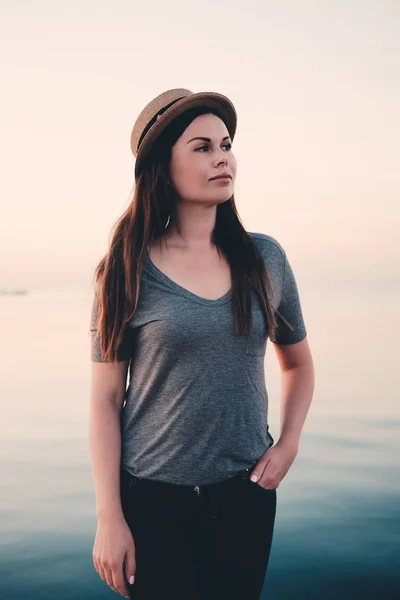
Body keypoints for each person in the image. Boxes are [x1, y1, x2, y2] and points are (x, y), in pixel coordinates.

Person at [89, 88, 315, 600]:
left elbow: (298, 364)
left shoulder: (264, 258)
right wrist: (110, 516)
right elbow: (105, 399)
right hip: (151, 501)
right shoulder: (126, 268)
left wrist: (288, 444)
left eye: (226, 144)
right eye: (202, 147)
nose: (223, 158)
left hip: (246, 496)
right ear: (162, 167)